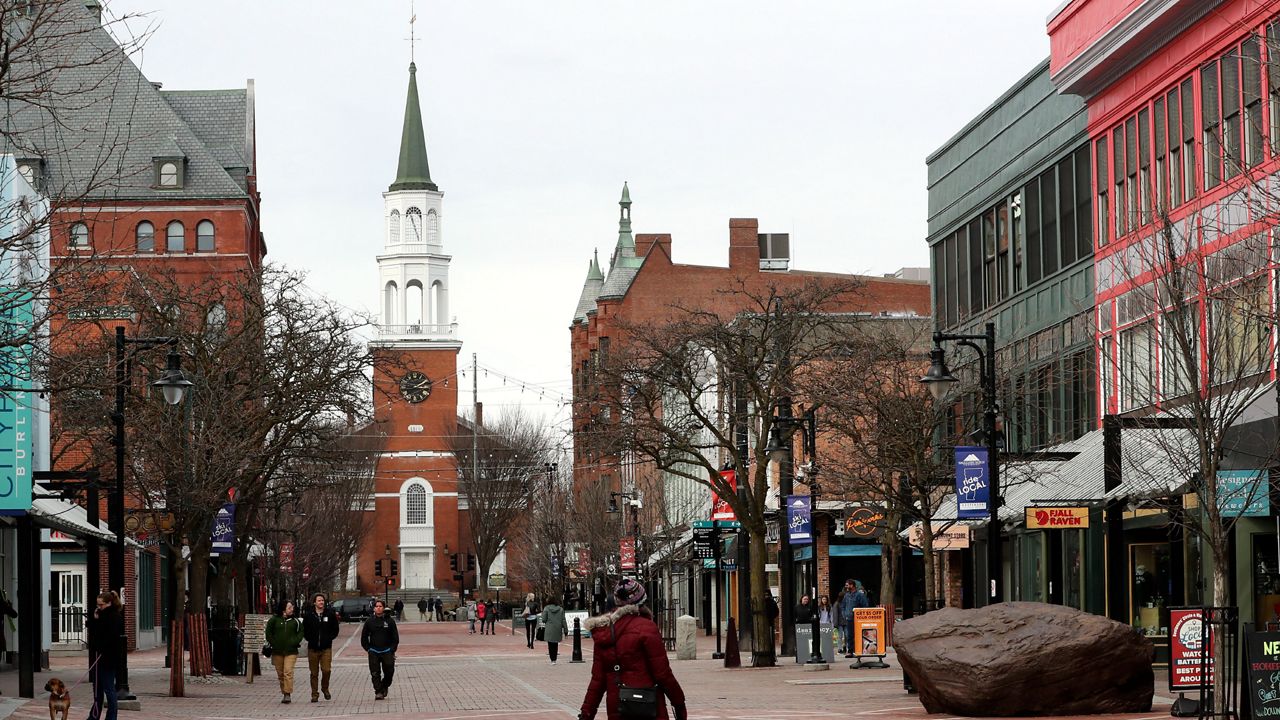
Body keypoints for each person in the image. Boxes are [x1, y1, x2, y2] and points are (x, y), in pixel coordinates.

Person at [578, 579, 686, 720]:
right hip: (647, 705)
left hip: (618, 706)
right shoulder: (647, 628)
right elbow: (663, 674)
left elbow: (597, 681)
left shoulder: (603, 632)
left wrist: (587, 713)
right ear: (642, 602)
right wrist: (679, 703)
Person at [85, 590, 125, 720]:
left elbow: (108, 636)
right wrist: (95, 619)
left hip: (108, 657)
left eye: (101, 605)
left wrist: (97, 622)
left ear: (109, 603)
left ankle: (111, 717)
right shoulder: (101, 615)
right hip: (99, 656)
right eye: (98, 605)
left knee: (108, 689)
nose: (99, 607)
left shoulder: (114, 616)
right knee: (97, 690)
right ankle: (94, 716)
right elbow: (96, 631)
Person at [303, 593, 339, 703]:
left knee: (326, 670)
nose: (321, 602)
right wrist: (311, 639)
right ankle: (314, 694)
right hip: (313, 648)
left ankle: (325, 688)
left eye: (322, 600)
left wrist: (328, 638)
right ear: (314, 602)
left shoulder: (330, 614)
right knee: (314, 673)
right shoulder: (309, 615)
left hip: (326, 648)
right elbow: (305, 630)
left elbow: (335, 629)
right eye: (319, 600)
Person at [265, 599, 304, 704]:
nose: (292, 609)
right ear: (283, 609)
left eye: (292, 607)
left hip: (291, 651)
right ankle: (284, 691)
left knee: (288, 672)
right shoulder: (274, 620)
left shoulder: (295, 621)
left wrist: (295, 641)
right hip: (277, 651)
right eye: (289, 607)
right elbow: (268, 632)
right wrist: (274, 643)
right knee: (281, 673)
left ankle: (287, 693)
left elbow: (300, 633)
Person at [360, 599, 399, 700]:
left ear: (383, 608)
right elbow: (364, 637)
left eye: (380, 606)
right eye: (376, 606)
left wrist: (392, 649)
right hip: (374, 651)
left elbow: (395, 637)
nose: (378, 608)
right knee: (375, 672)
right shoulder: (369, 621)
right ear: (374, 608)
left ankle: (385, 685)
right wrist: (368, 648)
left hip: (387, 651)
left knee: (389, 671)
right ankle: (378, 691)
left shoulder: (390, 621)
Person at [540, 594, 566, 665]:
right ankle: (555, 658)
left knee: (550, 644)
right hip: (558, 628)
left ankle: (552, 659)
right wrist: (566, 630)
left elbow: (544, 619)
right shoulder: (560, 609)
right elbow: (563, 620)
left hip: (549, 628)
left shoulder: (546, 608)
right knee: (556, 644)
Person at [838, 579, 857, 657]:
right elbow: (843, 606)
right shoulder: (846, 595)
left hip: (857, 618)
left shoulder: (859, 595)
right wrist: (844, 614)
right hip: (849, 618)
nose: (846, 587)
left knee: (857, 635)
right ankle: (850, 651)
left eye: (847, 585)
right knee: (849, 635)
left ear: (852, 585)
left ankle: (857, 650)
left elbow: (864, 605)